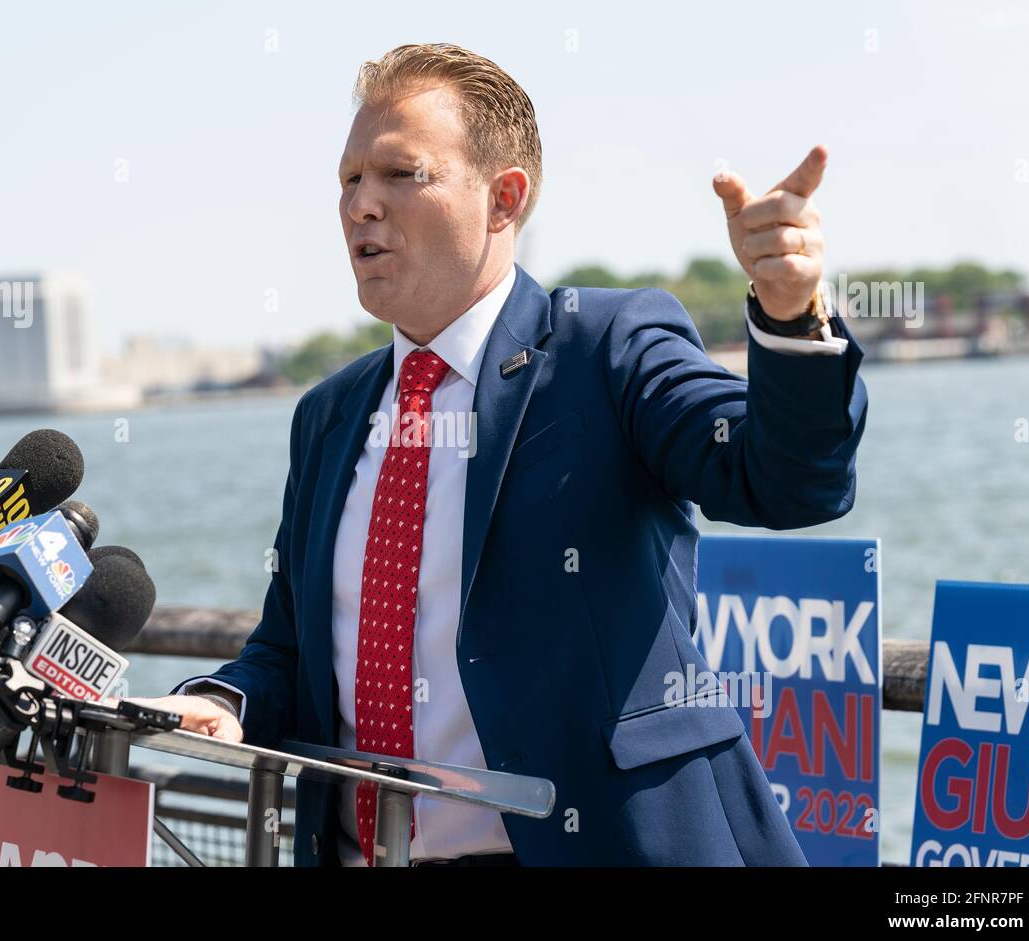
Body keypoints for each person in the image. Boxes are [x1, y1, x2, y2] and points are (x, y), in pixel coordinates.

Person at [134, 42, 867, 866]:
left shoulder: (609, 346)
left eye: (398, 174)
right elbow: (291, 648)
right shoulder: (328, 414)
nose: (360, 206)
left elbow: (786, 481)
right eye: (348, 180)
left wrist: (792, 314)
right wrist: (220, 700)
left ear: (502, 198)